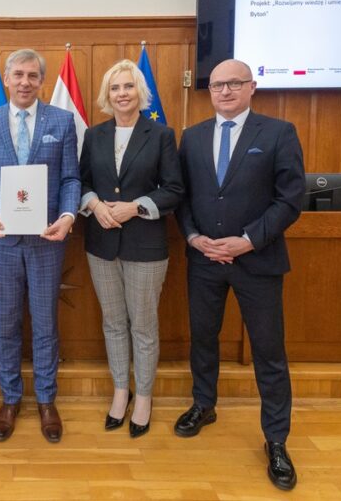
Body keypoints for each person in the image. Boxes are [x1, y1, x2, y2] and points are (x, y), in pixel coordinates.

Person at [174, 58, 305, 491]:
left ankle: (276, 439)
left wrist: (248, 240)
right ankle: (203, 405)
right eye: (217, 85)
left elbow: (290, 200)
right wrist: (193, 237)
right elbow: (184, 197)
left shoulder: (278, 133)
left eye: (234, 84)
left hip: (258, 261)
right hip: (205, 260)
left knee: (269, 352)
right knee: (203, 339)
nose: (225, 91)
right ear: (209, 91)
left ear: (252, 87)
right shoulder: (191, 138)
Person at [0, 48, 80, 444]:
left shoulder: (62, 121)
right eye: (18, 74)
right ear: (5, 78)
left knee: (46, 323)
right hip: (1, 239)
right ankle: (10, 397)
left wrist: (68, 217)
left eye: (33, 76)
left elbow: (71, 178)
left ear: (41, 81)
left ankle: (47, 400)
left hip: (48, 239)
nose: (24, 82)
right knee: (6, 324)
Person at [79, 60, 183, 438]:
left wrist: (135, 206)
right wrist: (94, 206)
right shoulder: (94, 135)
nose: (121, 94)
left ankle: (145, 397)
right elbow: (81, 181)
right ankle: (121, 391)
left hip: (145, 245)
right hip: (101, 242)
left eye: (128, 86)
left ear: (141, 92)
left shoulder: (160, 135)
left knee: (143, 326)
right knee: (113, 323)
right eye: (114, 88)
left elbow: (174, 189)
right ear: (107, 96)